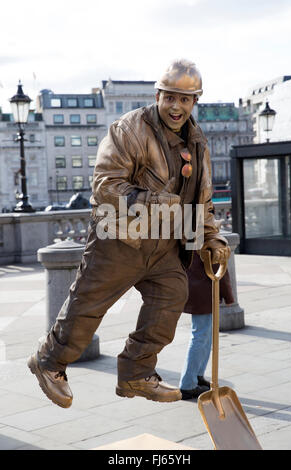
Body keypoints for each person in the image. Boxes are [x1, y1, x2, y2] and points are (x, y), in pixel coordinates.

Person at [27, 59, 231, 408]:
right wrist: (154, 201)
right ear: (158, 96)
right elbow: (105, 186)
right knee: (89, 305)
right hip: (120, 235)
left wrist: (212, 239)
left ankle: (136, 372)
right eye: (170, 97)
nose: (176, 106)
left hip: (166, 242)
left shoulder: (197, 141)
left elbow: (203, 198)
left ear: (195, 102)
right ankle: (48, 361)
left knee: (171, 297)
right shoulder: (129, 128)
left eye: (185, 99)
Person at [179, 253, 234, 399]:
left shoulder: (187, 232)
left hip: (193, 287)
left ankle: (197, 375)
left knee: (205, 335)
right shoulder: (206, 234)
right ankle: (187, 384)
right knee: (201, 336)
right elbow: (220, 267)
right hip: (204, 290)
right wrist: (228, 296)